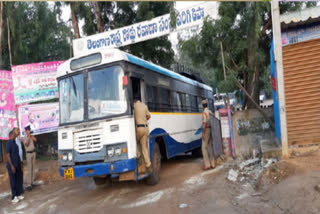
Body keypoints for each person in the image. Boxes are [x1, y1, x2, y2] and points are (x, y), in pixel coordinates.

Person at [133, 96, 152, 174]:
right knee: (144, 147)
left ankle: (138, 155)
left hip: (139, 129)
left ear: (134, 100)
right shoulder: (144, 106)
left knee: (133, 142)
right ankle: (148, 165)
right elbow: (149, 116)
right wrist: (143, 119)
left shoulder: (133, 106)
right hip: (145, 128)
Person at [6, 130, 24, 203]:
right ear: (10, 136)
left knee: (18, 180)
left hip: (17, 165)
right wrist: (12, 166)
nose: (15, 135)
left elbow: (18, 155)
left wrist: (20, 164)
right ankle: (14, 197)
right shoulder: (8, 143)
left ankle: (18, 194)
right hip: (12, 166)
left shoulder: (15, 143)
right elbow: (8, 155)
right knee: (13, 181)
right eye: (14, 134)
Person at [201, 99, 216, 170]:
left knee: (203, 147)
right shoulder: (209, 112)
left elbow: (204, 124)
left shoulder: (204, 113)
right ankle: (213, 163)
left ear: (202, 106)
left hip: (206, 130)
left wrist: (203, 133)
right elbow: (214, 117)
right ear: (207, 105)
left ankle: (207, 164)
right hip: (211, 129)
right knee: (210, 146)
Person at [23, 125, 37, 191]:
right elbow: (26, 144)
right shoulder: (24, 137)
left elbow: (35, 140)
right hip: (28, 154)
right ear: (26, 131)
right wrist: (28, 137)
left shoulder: (31, 136)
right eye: (28, 130)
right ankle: (29, 184)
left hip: (33, 153)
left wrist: (30, 136)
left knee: (33, 168)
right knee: (29, 168)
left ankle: (32, 182)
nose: (29, 131)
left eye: (29, 130)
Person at [14, 128, 24, 195]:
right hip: (17, 161)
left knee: (21, 175)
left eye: (19, 130)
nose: (19, 132)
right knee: (17, 176)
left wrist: (22, 161)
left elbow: (20, 150)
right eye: (17, 130)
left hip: (20, 160)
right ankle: (17, 191)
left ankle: (20, 189)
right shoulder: (14, 140)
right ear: (14, 132)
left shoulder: (18, 139)